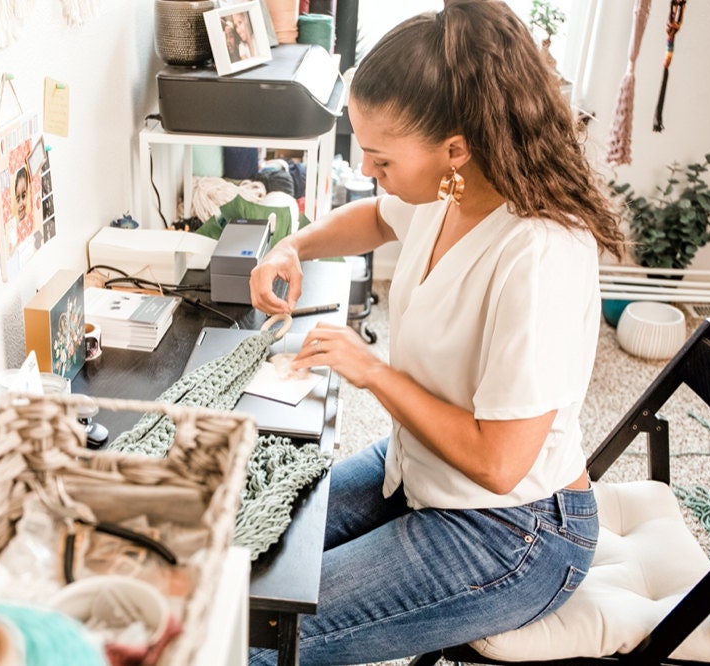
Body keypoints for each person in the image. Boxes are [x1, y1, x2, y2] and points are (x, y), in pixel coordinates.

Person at [247, 1, 625, 663]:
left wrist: (372, 372)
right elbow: (375, 217)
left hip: (516, 533)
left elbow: (499, 464)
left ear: (456, 148)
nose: (369, 171)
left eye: (381, 159)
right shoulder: (452, 191)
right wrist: (293, 247)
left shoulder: (539, 253)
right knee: (246, 551)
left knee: (263, 638)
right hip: (419, 468)